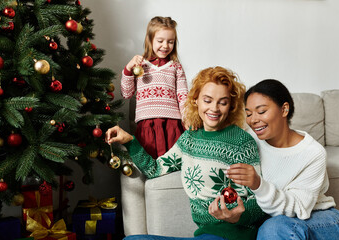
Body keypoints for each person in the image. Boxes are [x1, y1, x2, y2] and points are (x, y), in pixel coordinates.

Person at [106, 66, 268, 240]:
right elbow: (154, 169)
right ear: (196, 100)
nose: (214, 108)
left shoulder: (241, 142)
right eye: (207, 100)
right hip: (205, 235)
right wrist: (129, 141)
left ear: (231, 106)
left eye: (223, 102)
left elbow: (259, 199)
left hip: (234, 235)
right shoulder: (189, 139)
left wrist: (237, 216)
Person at [221, 79, 339, 239]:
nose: (253, 120)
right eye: (248, 113)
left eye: (261, 112)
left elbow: (296, 207)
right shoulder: (249, 139)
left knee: (272, 228)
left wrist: (258, 184)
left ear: (284, 109)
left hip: (319, 218)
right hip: (276, 221)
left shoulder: (313, 153)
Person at [121, 16, 188, 159]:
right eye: (160, 41)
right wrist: (128, 68)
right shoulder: (140, 65)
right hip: (147, 125)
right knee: (149, 164)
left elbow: (183, 96)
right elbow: (126, 93)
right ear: (150, 40)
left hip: (172, 125)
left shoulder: (176, 67)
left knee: (172, 165)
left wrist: (187, 118)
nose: (165, 46)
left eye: (170, 42)